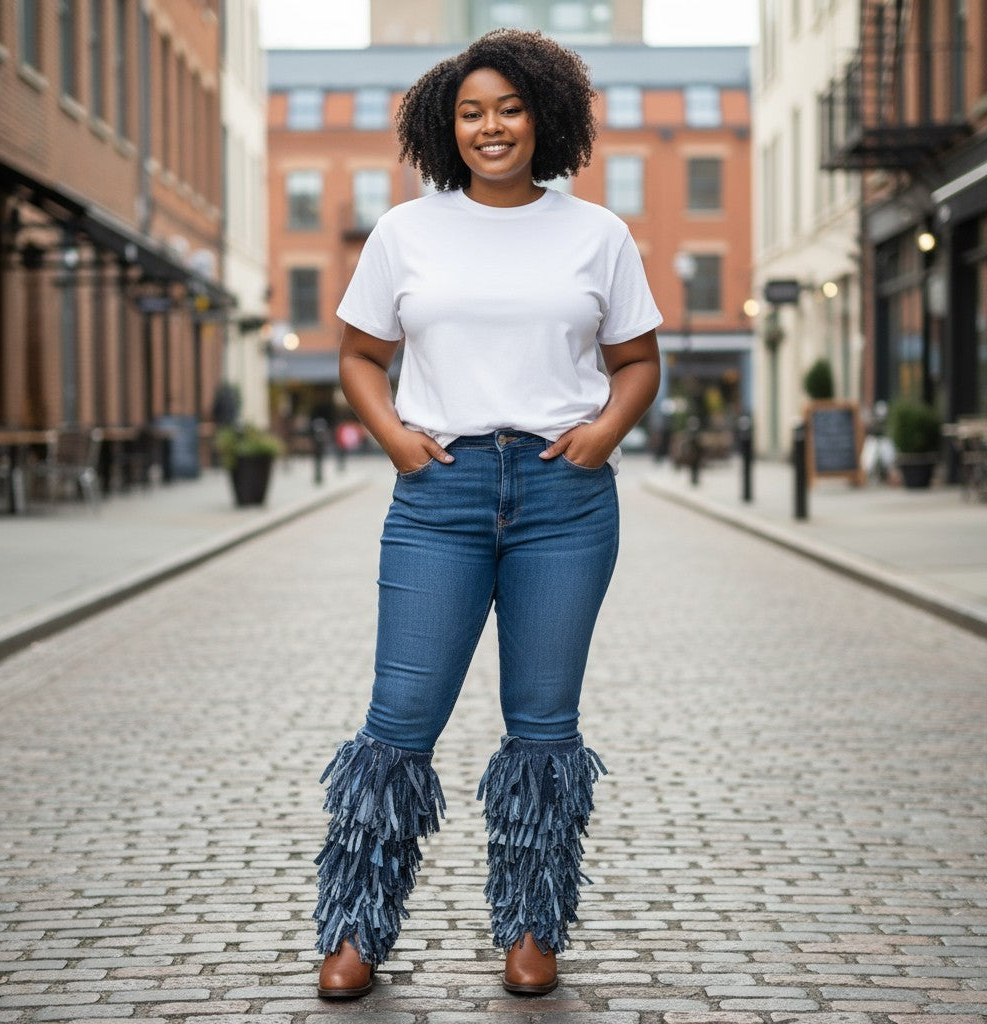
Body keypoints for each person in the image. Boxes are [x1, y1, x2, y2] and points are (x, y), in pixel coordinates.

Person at [313, 28, 663, 1000]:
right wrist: (393, 436)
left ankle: (532, 926)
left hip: (564, 498)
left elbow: (638, 364)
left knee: (544, 727)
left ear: (541, 117)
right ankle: (353, 928)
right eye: (471, 111)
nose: (490, 126)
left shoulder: (597, 234)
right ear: (445, 125)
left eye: (508, 107)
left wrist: (602, 435)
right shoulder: (405, 232)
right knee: (399, 720)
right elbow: (354, 354)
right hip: (439, 495)